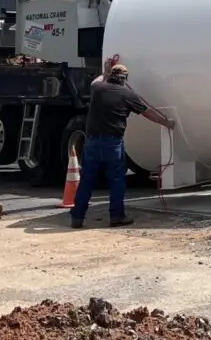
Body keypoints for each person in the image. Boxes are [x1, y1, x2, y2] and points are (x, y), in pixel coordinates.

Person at [71, 61, 174, 228]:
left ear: (111, 76)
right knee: (117, 180)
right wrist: (166, 123)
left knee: (87, 180)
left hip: (92, 142)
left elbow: (95, 81)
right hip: (113, 144)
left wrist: (104, 70)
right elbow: (148, 113)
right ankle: (116, 216)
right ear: (125, 79)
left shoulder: (98, 89)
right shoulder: (128, 95)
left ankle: (77, 217)